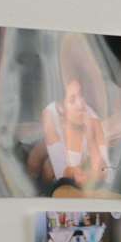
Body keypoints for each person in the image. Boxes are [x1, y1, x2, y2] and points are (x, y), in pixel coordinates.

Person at [39, 66, 111, 195]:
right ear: (61, 108)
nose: (81, 104)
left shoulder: (93, 119)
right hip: (50, 155)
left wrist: (90, 138)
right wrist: (75, 173)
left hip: (80, 162)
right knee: (45, 168)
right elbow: (61, 171)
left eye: (81, 96)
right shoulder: (50, 115)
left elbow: (106, 171)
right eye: (72, 100)